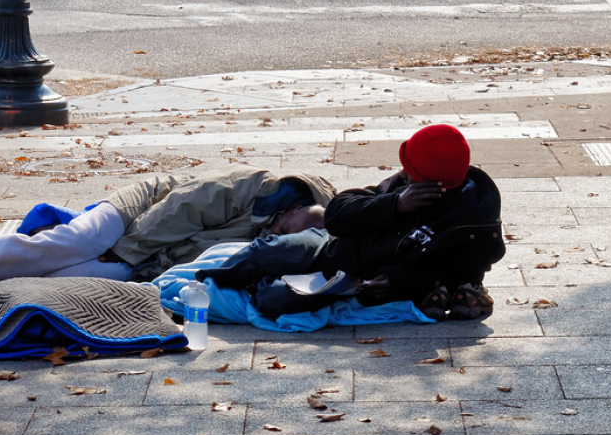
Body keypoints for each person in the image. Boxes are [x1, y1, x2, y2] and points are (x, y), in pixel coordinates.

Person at [198, 124, 505, 320]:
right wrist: (393, 204)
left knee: (273, 300)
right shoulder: (404, 186)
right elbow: (336, 213)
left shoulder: (472, 226)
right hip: (333, 245)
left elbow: (459, 276)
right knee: (265, 252)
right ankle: (207, 282)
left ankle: (261, 287)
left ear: (432, 182)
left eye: (410, 171)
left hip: (355, 279)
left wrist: (401, 281)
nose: (402, 174)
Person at [0, 163, 336, 294]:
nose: (281, 233)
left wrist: (134, 265)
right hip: (139, 212)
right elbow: (178, 209)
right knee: (83, 240)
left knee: (77, 277)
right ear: (299, 204)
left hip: (152, 255)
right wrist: (126, 251)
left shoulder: (280, 238)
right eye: (294, 221)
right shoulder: (260, 189)